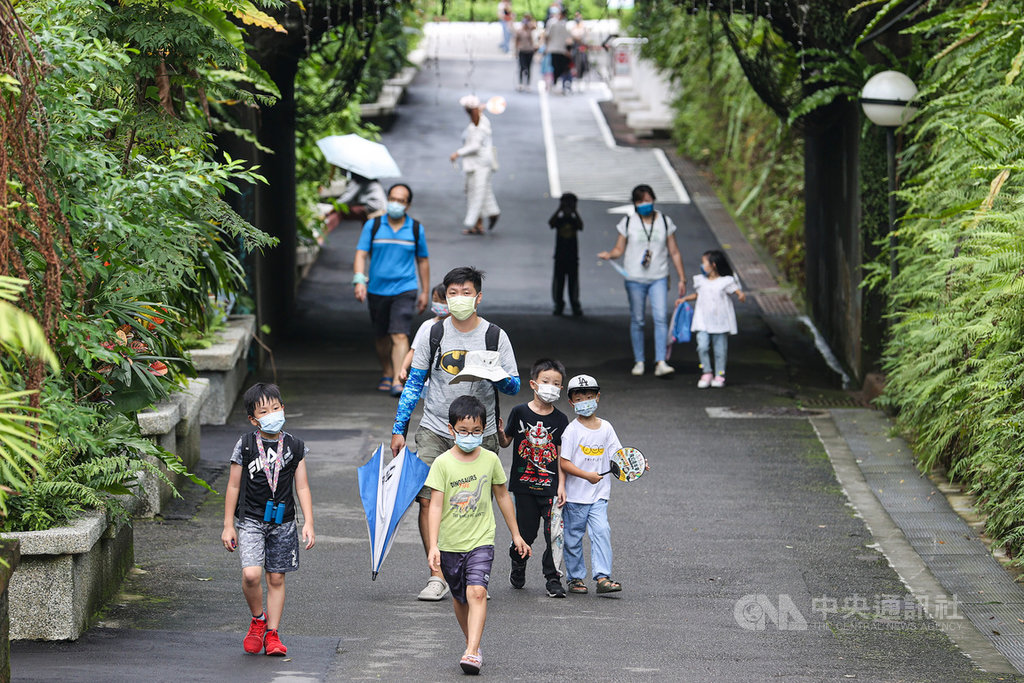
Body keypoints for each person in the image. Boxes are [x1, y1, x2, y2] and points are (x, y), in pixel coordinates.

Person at [392, 266, 521, 601]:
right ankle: (437, 574)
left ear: (478, 297)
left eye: (466, 293)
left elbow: (514, 385)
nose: (459, 299)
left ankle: (473, 573)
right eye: (453, 293)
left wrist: (495, 375)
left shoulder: (495, 336)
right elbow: (414, 383)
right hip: (435, 427)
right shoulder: (431, 333)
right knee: (427, 500)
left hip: (482, 432)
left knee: (479, 502)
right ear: (444, 296)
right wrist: (399, 429)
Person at [425, 395, 531, 675]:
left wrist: (516, 534)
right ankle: (471, 643)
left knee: (477, 592)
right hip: (450, 543)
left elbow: (503, 496)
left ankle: (472, 650)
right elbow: (435, 504)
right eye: (463, 431)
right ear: (452, 430)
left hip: (481, 539)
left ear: (484, 430)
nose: (469, 437)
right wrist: (433, 545)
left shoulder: (490, 460)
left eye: (475, 432)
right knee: (460, 599)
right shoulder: (442, 463)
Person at [221, 383, 315, 657]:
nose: (272, 414)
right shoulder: (247, 445)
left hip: (283, 522)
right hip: (250, 519)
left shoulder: (295, 447)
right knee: (251, 575)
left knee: (276, 578)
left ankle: (272, 633)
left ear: (283, 408)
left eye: (276, 408)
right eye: (264, 411)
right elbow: (233, 486)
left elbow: (303, 487)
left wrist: (308, 521)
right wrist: (229, 524)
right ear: (253, 418)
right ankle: (258, 620)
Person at [497, 358, 569, 598]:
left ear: (561, 388)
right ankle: (518, 563)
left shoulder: (560, 420)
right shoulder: (519, 412)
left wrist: (561, 485)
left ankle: (553, 577)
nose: (551, 386)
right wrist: (499, 432)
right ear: (533, 384)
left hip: (550, 488)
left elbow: (560, 455)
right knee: (526, 533)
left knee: (554, 535)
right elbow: (506, 442)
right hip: (523, 487)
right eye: (545, 381)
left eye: (556, 383)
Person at [598, 183, 686, 377]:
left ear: (653, 199)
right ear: (635, 203)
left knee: (661, 317)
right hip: (635, 278)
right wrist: (610, 255)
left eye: (647, 200)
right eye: (640, 201)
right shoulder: (629, 222)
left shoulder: (664, 221)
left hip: (659, 277)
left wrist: (682, 278)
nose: (644, 204)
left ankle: (661, 361)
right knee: (637, 320)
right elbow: (619, 249)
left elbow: (674, 251)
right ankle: (639, 361)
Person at [353, 183, 430, 397]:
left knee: (399, 333)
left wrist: (424, 291)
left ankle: (398, 378)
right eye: (393, 199)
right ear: (387, 200)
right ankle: (387, 371)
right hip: (377, 289)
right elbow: (361, 253)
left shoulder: (415, 229)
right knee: (382, 336)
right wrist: (359, 280)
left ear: (408, 204)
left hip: (405, 288)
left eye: (401, 200)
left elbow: (422, 260)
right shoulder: (374, 225)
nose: (396, 204)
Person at [558, 374, 622, 595]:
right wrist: (586, 475)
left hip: (598, 494)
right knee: (573, 538)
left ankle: (603, 577)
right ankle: (575, 578)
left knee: (602, 531)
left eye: (589, 396)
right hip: (575, 496)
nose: (585, 400)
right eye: (579, 397)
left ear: (597, 397)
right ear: (571, 402)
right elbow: (563, 462)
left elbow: (618, 455)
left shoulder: (606, 428)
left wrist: (637, 464)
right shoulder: (572, 431)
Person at [678, 249, 746, 388]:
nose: (702, 266)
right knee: (702, 347)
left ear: (713, 264)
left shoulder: (725, 281)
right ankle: (706, 371)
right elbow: (698, 294)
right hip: (702, 320)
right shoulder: (701, 281)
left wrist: (740, 294)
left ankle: (719, 374)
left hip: (720, 322)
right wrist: (684, 299)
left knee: (720, 350)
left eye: (704, 263)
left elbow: (735, 290)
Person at [450, 96, 500, 236]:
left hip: (480, 164)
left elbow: (475, 146)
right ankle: (490, 215)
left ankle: (473, 222)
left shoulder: (480, 125)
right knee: (482, 192)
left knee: (476, 193)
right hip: (475, 164)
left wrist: (457, 153)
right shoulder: (480, 121)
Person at [398, 283, 450, 383]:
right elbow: (414, 351)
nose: (438, 304)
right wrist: (403, 368)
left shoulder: (458, 326)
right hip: (430, 381)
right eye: (435, 300)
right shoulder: (427, 325)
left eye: (443, 301)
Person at [549, 192, 583, 316]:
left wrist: (575, 212)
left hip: (572, 257)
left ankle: (575, 304)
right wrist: (559, 210)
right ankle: (559, 304)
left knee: (573, 283)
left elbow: (581, 226)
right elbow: (551, 223)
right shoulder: (560, 219)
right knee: (559, 282)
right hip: (560, 257)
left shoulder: (574, 220)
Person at [320, 172, 386, 226]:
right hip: (381, 206)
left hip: (372, 207)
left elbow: (347, 198)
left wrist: (333, 207)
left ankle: (322, 234)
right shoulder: (371, 179)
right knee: (366, 222)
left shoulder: (358, 180)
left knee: (341, 212)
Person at [542, 9, 572, 93]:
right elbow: (547, 35)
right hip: (555, 49)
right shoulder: (552, 23)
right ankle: (554, 83)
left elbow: (568, 38)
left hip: (560, 49)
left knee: (559, 67)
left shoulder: (564, 25)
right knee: (555, 67)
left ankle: (556, 83)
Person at [514, 14, 537, 91]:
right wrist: (516, 50)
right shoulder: (519, 31)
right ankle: (520, 83)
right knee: (522, 67)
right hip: (522, 50)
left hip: (530, 51)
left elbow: (535, 27)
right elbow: (516, 41)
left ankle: (528, 84)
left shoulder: (531, 30)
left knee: (529, 68)